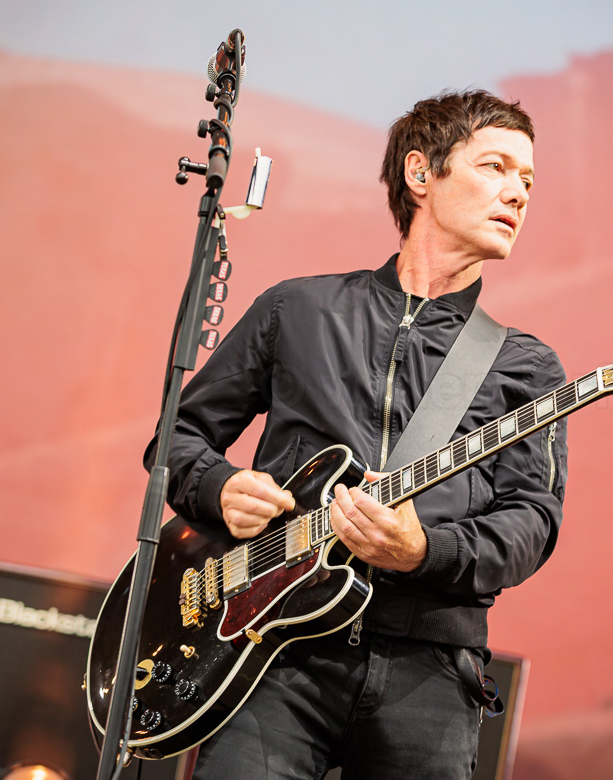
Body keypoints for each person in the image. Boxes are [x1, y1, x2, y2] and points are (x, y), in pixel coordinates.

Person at [147, 89, 569, 780]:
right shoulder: (296, 309)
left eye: (527, 179)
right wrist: (219, 488)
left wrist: (424, 549)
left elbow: (532, 522)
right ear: (420, 173)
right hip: (273, 654)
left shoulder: (526, 366)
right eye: (495, 167)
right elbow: (178, 437)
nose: (518, 193)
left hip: (430, 672)